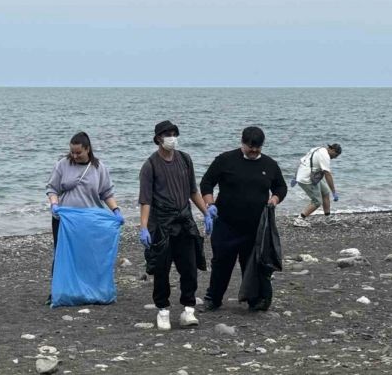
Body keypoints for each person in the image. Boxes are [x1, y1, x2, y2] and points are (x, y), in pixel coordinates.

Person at [200, 127, 287, 311]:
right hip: (226, 224)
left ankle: (253, 299)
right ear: (242, 143)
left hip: (255, 227)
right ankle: (213, 299)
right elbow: (206, 182)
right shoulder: (225, 160)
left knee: (252, 264)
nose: (254, 151)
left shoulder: (269, 164)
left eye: (258, 148)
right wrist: (210, 204)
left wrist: (274, 199)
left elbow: (281, 187)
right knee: (222, 263)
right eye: (251, 147)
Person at [138, 120, 211, 330]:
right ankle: (162, 310)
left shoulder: (185, 160)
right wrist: (144, 227)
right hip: (161, 224)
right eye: (167, 134)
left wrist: (206, 213)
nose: (171, 137)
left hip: (184, 222)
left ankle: (189, 310)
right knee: (161, 269)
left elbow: (193, 191)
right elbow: (145, 200)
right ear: (158, 138)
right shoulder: (150, 165)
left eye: (173, 133)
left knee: (189, 267)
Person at [46, 132, 124, 304]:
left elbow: (106, 193)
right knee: (62, 255)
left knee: (89, 256)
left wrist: (116, 210)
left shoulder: (99, 168)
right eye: (72, 152)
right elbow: (52, 189)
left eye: (78, 152)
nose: (74, 156)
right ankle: (59, 292)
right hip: (65, 221)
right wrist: (54, 204)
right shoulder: (62, 165)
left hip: (90, 222)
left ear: (87, 149)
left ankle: (92, 291)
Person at [291, 144, 342, 228]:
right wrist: (334, 191)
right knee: (317, 201)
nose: (335, 157)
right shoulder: (325, 156)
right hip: (306, 178)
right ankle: (299, 220)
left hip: (312, 175)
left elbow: (303, 161)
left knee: (325, 192)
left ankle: (327, 217)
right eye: (335, 155)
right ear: (332, 150)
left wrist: (296, 175)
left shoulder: (318, 148)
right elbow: (327, 174)